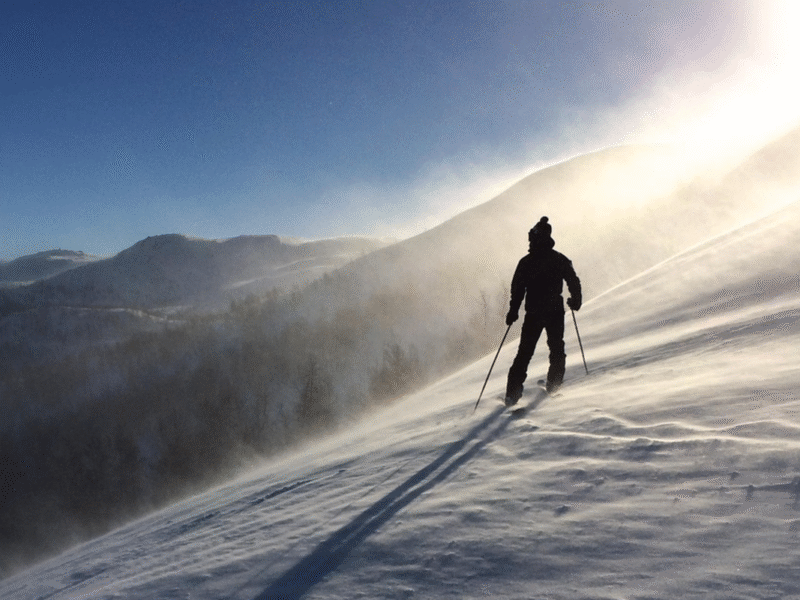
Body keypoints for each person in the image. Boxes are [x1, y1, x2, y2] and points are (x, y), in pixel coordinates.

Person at [504, 216, 581, 405]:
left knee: (524, 353)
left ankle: (512, 395)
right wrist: (576, 300)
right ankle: (554, 386)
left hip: (534, 314)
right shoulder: (559, 258)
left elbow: (518, 289)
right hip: (555, 311)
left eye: (531, 238)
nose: (530, 241)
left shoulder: (526, 262)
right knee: (556, 349)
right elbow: (573, 280)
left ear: (536, 238)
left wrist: (513, 311)